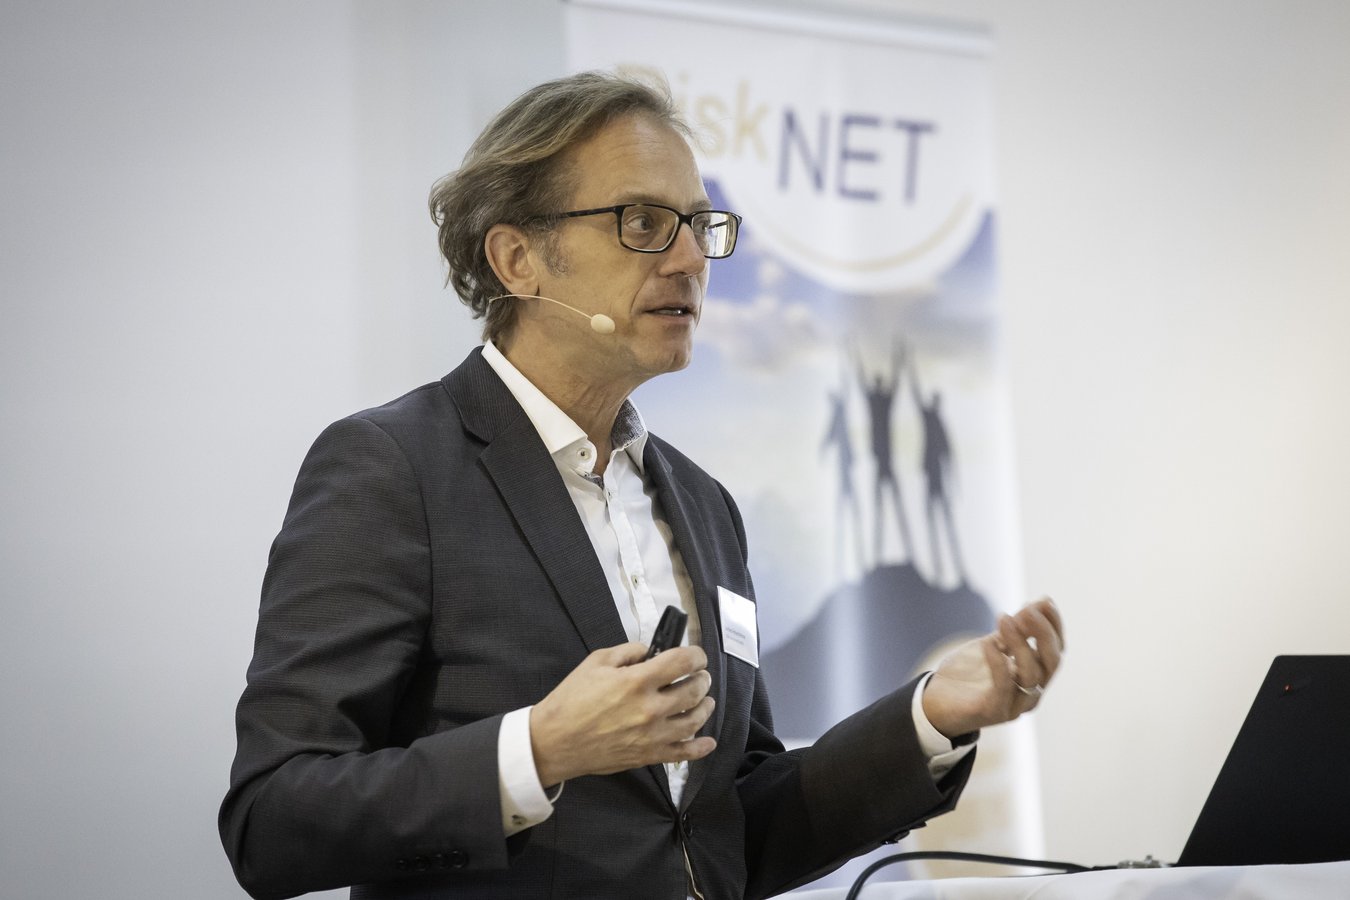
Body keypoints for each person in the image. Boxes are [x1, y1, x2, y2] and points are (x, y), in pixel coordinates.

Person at [219, 71, 1064, 900]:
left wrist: (930, 719)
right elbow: (273, 820)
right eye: (645, 224)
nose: (691, 258)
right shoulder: (392, 469)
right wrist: (539, 750)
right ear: (517, 259)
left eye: (698, 224)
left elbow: (726, 830)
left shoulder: (702, 505)